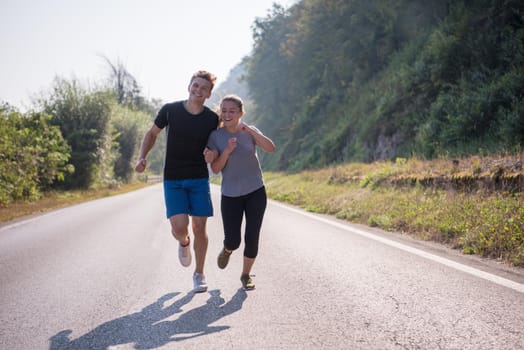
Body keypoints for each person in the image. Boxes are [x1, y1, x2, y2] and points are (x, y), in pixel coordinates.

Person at [135, 70, 219, 293]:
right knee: (180, 227)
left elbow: (218, 143)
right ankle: (184, 243)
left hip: (199, 178)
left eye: (203, 88)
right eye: (195, 85)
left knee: (200, 226)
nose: (198, 90)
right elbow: (151, 134)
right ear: (189, 86)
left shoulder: (212, 119)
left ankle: (199, 273)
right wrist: (142, 156)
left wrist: (215, 155)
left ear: (209, 94)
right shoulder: (170, 110)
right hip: (173, 178)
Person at [207, 94, 276, 290]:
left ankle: (245, 275)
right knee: (233, 240)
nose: (227, 114)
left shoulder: (249, 131)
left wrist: (252, 133)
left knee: (252, 236)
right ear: (220, 112)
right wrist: (227, 151)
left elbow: (271, 148)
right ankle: (228, 249)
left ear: (240, 113)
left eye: (232, 111)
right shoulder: (216, 136)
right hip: (230, 195)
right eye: (224, 110)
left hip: (255, 191)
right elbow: (215, 168)